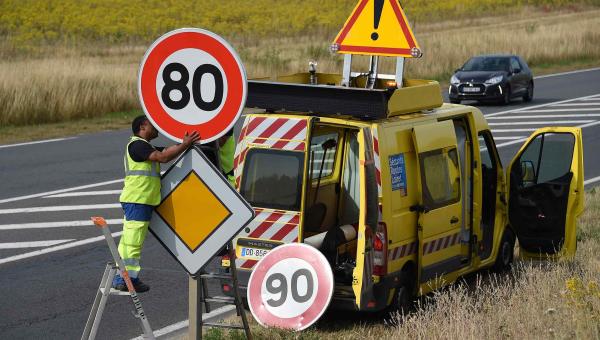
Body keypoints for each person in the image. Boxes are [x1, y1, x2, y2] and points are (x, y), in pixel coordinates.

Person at [113, 115, 200, 292]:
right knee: (133, 241)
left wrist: (184, 143)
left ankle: (122, 276)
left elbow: (169, 150)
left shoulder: (146, 146)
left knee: (130, 240)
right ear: (143, 126)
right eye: (153, 124)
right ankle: (127, 279)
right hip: (138, 200)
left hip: (141, 200)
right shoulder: (137, 145)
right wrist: (184, 144)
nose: (157, 127)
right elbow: (162, 157)